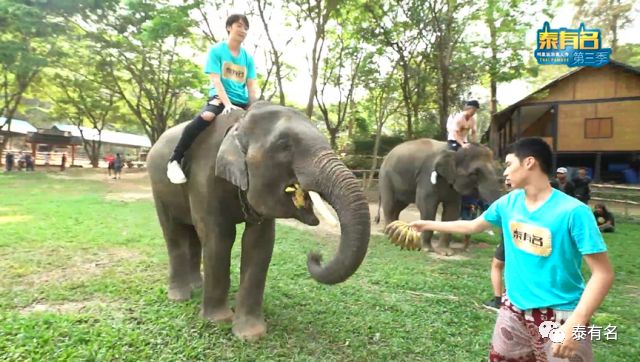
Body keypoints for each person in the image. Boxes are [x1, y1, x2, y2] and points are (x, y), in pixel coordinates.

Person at [409, 137, 613, 361]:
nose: (504, 172)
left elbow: (603, 273)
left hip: (562, 314)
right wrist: (427, 224)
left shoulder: (574, 212)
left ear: (529, 162)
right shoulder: (508, 203)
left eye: (508, 164)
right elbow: (473, 225)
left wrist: (576, 323)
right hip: (513, 309)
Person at [166, 14, 258, 184]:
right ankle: (175, 160)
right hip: (221, 98)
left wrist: (254, 107)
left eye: (246, 28)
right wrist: (228, 104)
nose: (243, 30)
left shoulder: (248, 58)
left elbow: (251, 86)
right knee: (206, 117)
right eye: (239, 25)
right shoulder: (217, 51)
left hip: (242, 101)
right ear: (229, 27)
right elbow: (216, 80)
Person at [482, 181, 512, 312]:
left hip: (510, 238)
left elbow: (474, 225)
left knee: (497, 265)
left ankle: (499, 300)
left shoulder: (508, 202)